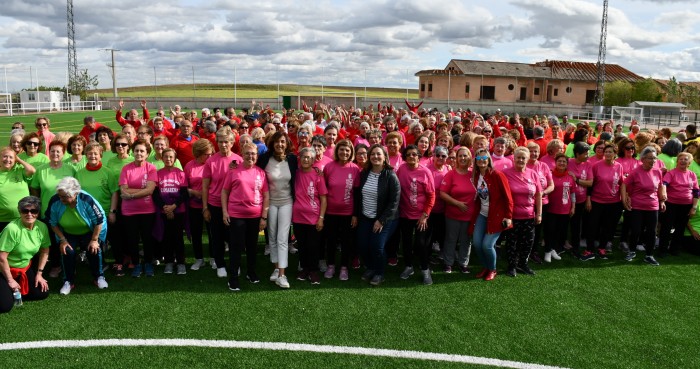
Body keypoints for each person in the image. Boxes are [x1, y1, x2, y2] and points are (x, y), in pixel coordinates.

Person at [46, 177, 108, 295]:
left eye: (64, 196)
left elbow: (99, 220)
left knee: (93, 249)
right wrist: (63, 240)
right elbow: (52, 222)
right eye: (60, 196)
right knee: (67, 251)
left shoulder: (87, 200)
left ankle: (99, 277)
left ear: (75, 194)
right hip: (68, 233)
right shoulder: (55, 200)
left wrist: (94, 240)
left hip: (89, 231)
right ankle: (68, 281)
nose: (61, 198)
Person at [221, 142, 269, 291]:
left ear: (257, 155)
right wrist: (224, 212)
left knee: (252, 246)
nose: (250, 156)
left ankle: (251, 272)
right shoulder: (234, 171)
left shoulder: (261, 172)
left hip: (255, 215)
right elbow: (224, 192)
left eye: (253, 154)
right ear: (242, 154)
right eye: (247, 153)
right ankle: (233, 277)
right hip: (236, 215)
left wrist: (264, 217)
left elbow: (266, 195)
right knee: (236, 247)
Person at [30, 140, 77, 278]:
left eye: (58, 151)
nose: (55, 154)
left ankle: (70, 266)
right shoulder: (41, 170)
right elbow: (34, 187)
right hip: (48, 212)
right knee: (52, 241)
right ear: (48, 152)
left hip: (68, 211)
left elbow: (77, 188)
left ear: (63, 154)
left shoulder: (70, 169)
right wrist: (38, 204)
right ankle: (56, 265)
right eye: (52, 151)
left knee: (68, 240)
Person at [355, 144, 400, 286]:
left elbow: (394, 202)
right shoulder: (364, 173)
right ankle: (371, 267)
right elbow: (358, 196)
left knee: (377, 246)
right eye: (372, 154)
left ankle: (380, 272)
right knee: (362, 244)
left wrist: (381, 220)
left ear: (384, 157)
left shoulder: (390, 175)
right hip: (366, 217)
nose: (375, 156)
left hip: (385, 219)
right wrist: (356, 214)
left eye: (378, 154)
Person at [257, 132, 297, 289]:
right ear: (272, 144)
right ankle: (275, 269)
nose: (279, 145)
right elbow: (252, 170)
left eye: (282, 142)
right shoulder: (265, 159)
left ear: (286, 143)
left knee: (282, 238)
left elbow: (308, 166)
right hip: (270, 203)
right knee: (272, 237)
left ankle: (282, 274)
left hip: (287, 202)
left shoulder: (292, 159)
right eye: (276, 142)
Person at [202, 126, 242, 278]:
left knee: (234, 238)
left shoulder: (239, 160)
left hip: (234, 206)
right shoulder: (211, 161)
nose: (223, 145)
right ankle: (220, 264)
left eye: (226, 142)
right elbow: (205, 187)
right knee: (217, 237)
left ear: (232, 142)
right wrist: (205, 208)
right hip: (215, 205)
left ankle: (235, 263)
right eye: (220, 142)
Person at [0, 196, 50, 313]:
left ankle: (10, 291)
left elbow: (45, 250)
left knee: (42, 293)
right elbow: (2, 258)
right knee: (4, 306)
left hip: (23, 268)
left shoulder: (42, 227)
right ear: (19, 211)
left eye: (33, 211)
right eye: (25, 211)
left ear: (38, 212)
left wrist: (39, 274)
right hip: (3, 269)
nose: (29, 214)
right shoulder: (12, 229)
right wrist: (10, 280)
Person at [471, 148, 513, 281]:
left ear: (489, 160)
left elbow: (508, 197)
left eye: (484, 158)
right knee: (477, 243)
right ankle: (486, 266)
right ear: (476, 161)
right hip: (482, 214)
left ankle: (493, 269)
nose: (482, 161)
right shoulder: (476, 176)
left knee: (487, 245)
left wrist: (508, 216)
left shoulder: (497, 175)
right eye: (479, 159)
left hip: (496, 216)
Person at [322, 139, 360, 280]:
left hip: (348, 213)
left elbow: (356, 194)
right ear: (337, 151)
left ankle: (344, 267)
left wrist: (355, 214)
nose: (344, 152)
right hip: (330, 212)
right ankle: (331, 265)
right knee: (331, 240)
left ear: (351, 153)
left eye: (347, 150)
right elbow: (323, 191)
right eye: (341, 149)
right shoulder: (329, 167)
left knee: (346, 241)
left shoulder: (354, 168)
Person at [397, 145, 436, 284]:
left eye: (414, 154)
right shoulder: (401, 169)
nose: (411, 157)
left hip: (421, 215)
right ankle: (408, 266)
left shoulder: (425, 172)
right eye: (408, 155)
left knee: (420, 244)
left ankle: (425, 270)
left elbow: (431, 196)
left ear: (419, 156)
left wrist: (425, 215)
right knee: (406, 242)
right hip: (404, 213)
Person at [119, 139, 158, 277]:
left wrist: (131, 195)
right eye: (136, 150)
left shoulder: (151, 168)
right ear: (132, 152)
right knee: (132, 238)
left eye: (142, 151)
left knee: (147, 238)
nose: (139, 153)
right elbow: (123, 190)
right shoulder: (126, 168)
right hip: (129, 212)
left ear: (147, 154)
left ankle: (148, 263)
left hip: (147, 210)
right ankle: (136, 264)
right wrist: (137, 191)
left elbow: (150, 190)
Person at [621, 146, 666, 265]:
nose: (653, 161)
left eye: (654, 158)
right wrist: (625, 199)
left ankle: (649, 255)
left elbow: (660, 186)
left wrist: (662, 200)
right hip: (637, 206)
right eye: (650, 158)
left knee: (652, 232)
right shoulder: (636, 171)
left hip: (653, 206)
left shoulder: (657, 171)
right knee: (636, 230)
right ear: (643, 159)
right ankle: (631, 251)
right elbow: (624, 184)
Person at [502, 147, 542, 277]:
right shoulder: (505, 173)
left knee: (528, 242)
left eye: (523, 158)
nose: (520, 160)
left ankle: (523, 264)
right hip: (512, 216)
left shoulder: (533, 174)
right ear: (513, 158)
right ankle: (512, 266)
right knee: (512, 242)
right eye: (518, 157)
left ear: (527, 159)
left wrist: (539, 214)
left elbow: (538, 195)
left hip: (529, 215)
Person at [293, 147, 327, 285]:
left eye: (309, 157)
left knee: (313, 246)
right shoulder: (295, 173)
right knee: (302, 245)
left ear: (313, 160)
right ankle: (305, 269)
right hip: (298, 217)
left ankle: (313, 271)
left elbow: (324, 199)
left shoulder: (318, 175)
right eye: (303, 157)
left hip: (314, 217)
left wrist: (321, 218)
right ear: (299, 159)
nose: (306, 159)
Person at [439, 146, 476, 274]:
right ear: (456, 159)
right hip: (452, 214)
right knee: (451, 239)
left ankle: (463, 263)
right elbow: (442, 193)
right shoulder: (451, 174)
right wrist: (457, 203)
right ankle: (448, 263)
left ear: (470, 158)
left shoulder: (474, 174)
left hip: (470, 216)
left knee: (466, 241)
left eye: (465, 155)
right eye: (460, 156)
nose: (462, 158)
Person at [584, 143, 624, 260]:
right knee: (593, 226)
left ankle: (602, 248)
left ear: (615, 154)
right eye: (606, 152)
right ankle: (589, 249)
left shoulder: (619, 166)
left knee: (608, 227)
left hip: (614, 202)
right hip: (597, 201)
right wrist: (589, 199)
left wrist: (624, 199)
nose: (607, 154)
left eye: (610, 152)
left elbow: (621, 183)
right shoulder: (596, 166)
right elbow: (590, 185)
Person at [153, 148, 189, 275]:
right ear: (162, 158)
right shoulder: (157, 173)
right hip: (163, 211)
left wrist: (173, 206)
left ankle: (180, 263)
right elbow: (156, 194)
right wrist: (165, 207)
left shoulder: (181, 173)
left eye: (171, 157)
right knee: (166, 237)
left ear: (175, 159)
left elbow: (184, 193)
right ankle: (168, 262)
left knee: (178, 237)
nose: (168, 159)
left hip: (179, 210)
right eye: (166, 157)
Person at [659, 152, 698, 257]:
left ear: (689, 163)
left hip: (686, 206)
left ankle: (674, 249)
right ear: (677, 161)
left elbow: (696, 192)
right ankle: (662, 250)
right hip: (671, 204)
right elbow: (664, 184)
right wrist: (664, 193)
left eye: (685, 159)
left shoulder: (692, 175)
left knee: (680, 229)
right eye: (680, 159)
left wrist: (694, 207)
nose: (683, 161)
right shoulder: (671, 173)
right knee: (666, 228)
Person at [184, 139, 214, 271]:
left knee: (213, 233)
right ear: (198, 153)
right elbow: (183, 187)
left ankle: (214, 258)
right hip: (194, 206)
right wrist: (192, 192)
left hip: (211, 205)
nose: (209, 156)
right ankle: (199, 259)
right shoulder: (189, 166)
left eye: (211, 154)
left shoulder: (213, 164)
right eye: (206, 154)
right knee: (196, 233)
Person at [543, 154, 576, 262]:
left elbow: (572, 194)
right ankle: (547, 251)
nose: (562, 163)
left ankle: (553, 249)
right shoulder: (550, 175)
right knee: (549, 231)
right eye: (559, 161)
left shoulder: (570, 177)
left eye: (564, 162)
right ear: (555, 162)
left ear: (567, 164)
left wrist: (573, 207)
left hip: (565, 209)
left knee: (560, 231)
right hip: (551, 208)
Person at [0, 147, 36, 233]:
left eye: (11, 157)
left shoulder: (19, 170)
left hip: (24, 217)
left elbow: (32, 170)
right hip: (3, 220)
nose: (8, 159)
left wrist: (19, 160)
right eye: (5, 156)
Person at [568, 142, 593, 259]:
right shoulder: (568, 162)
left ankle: (575, 248)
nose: (588, 155)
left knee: (577, 226)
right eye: (585, 153)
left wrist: (577, 180)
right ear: (577, 154)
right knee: (563, 225)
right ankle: (559, 246)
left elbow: (590, 183)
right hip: (566, 200)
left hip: (581, 200)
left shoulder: (588, 165)